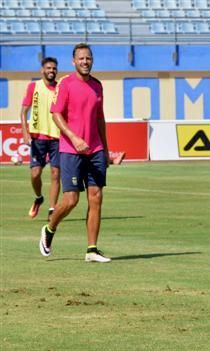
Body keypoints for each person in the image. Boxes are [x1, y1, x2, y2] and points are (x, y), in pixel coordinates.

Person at [39, 43, 111, 263]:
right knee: (71, 200)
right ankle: (50, 229)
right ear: (73, 61)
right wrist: (74, 137)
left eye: (88, 58)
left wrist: (106, 149)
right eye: (81, 58)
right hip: (71, 149)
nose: (85, 62)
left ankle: (91, 249)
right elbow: (56, 114)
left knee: (96, 197)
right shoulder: (66, 84)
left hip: (95, 149)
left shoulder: (98, 86)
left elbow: (100, 118)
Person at [20, 57, 61, 221]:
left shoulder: (61, 88)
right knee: (35, 173)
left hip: (57, 137)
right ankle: (38, 197)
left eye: (54, 68)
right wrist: (25, 132)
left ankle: (52, 209)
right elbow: (23, 111)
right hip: (38, 137)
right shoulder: (33, 86)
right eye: (49, 68)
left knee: (55, 173)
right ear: (42, 70)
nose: (51, 71)